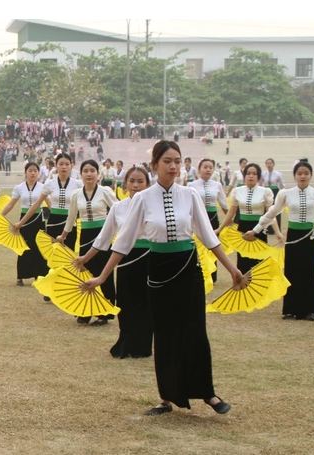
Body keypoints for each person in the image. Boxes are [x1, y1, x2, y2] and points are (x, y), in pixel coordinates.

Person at [83, 140, 244, 416]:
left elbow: (208, 237)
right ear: (155, 164)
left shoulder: (190, 195)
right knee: (165, 333)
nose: (173, 166)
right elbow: (122, 242)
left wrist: (232, 269)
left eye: (177, 161)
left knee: (195, 331)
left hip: (188, 268)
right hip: (158, 270)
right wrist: (101, 276)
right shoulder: (143, 199)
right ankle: (166, 398)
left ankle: (208, 393)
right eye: (167, 161)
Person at [74, 166, 153, 357]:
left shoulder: (155, 206)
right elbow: (103, 238)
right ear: (125, 185)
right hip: (125, 259)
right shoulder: (118, 208)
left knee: (148, 303)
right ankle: (126, 342)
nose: (136, 185)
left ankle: (143, 346)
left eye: (140, 181)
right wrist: (85, 258)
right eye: (132, 181)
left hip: (152, 259)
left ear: (148, 184)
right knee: (125, 303)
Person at [245, 160, 314, 321]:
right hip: (293, 237)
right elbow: (272, 212)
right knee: (292, 272)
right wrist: (256, 230)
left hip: (310, 237)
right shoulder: (285, 193)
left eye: (306, 173)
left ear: (311, 175)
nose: (303, 176)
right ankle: (291, 309)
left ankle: (310, 310)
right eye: (299, 173)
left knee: (308, 273)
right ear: (294, 175)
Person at [57, 159, 117, 325]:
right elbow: (71, 218)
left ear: (98, 174)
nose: (89, 174)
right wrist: (63, 236)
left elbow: (118, 210)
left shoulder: (105, 191)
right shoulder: (76, 194)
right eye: (86, 171)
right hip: (85, 238)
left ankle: (105, 312)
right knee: (85, 273)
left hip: (103, 236)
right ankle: (85, 311)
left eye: (92, 170)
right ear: (81, 174)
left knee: (104, 273)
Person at [216, 163, 282, 273]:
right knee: (243, 262)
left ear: (258, 177)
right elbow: (231, 213)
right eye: (248, 173)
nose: (251, 176)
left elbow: (271, 214)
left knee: (259, 263)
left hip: (259, 229)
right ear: (244, 175)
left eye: (254, 174)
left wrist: (278, 232)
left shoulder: (265, 191)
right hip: (242, 230)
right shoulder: (237, 191)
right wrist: (219, 229)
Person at [17, 153, 82, 250]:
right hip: (53, 222)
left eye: (67, 164)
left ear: (71, 166)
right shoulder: (49, 184)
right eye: (61, 164)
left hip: (71, 223)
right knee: (53, 254)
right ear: (56, 165)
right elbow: (36, 205)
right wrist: (20, 223)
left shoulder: (78, 184)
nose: (64, 167)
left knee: (68, 253)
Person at [0, 162, 49, 287]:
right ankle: (21, 276)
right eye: (30, 170)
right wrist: (0, 216)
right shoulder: (19, 187)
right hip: (23, 222)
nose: (33, 173)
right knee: (23, 247)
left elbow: (49, 204)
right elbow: (11, 204)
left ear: (38, 173)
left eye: (35, 171)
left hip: (38, 220)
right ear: (25, 172)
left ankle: (39, 275)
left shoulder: (43, 187)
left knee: (39, 248)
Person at [188, 159, 228, 282]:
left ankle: (213, 276)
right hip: (197, 219)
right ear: (199, 169)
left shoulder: (217, 185)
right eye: (205, 167)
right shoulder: (191, 185)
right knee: (199, 247)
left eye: (211, 167)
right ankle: (201, 273)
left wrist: (231, 221)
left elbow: (224, 205)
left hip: (213, 219)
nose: (208, 169)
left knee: (213, 246)